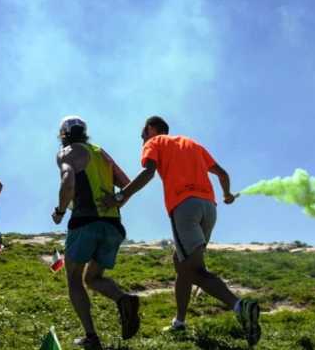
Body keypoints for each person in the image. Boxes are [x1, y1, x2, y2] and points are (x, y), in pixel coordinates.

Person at [103, 116, 261, 346]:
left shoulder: (155, 142)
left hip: (185, 206)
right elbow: (223, 174)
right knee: (181, 263)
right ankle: (179, 322)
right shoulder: (192, 144)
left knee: (195, 270)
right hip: (209, 208)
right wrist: (227, 194)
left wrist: (121, 196)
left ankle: (240, 306)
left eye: (143, 133)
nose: (142, 138)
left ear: (151, 129)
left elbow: (148, 172)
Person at [51, 116, 140, 350]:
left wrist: (60, 211)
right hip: (113, 226)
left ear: (63, 134)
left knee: (74, 279)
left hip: (84, 222)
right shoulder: (101, 153)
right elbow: (126, 183)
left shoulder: (66, 152)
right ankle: (123, 300)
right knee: (93, 278)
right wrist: (117, 200)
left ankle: (91, 337)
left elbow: (68, 181)